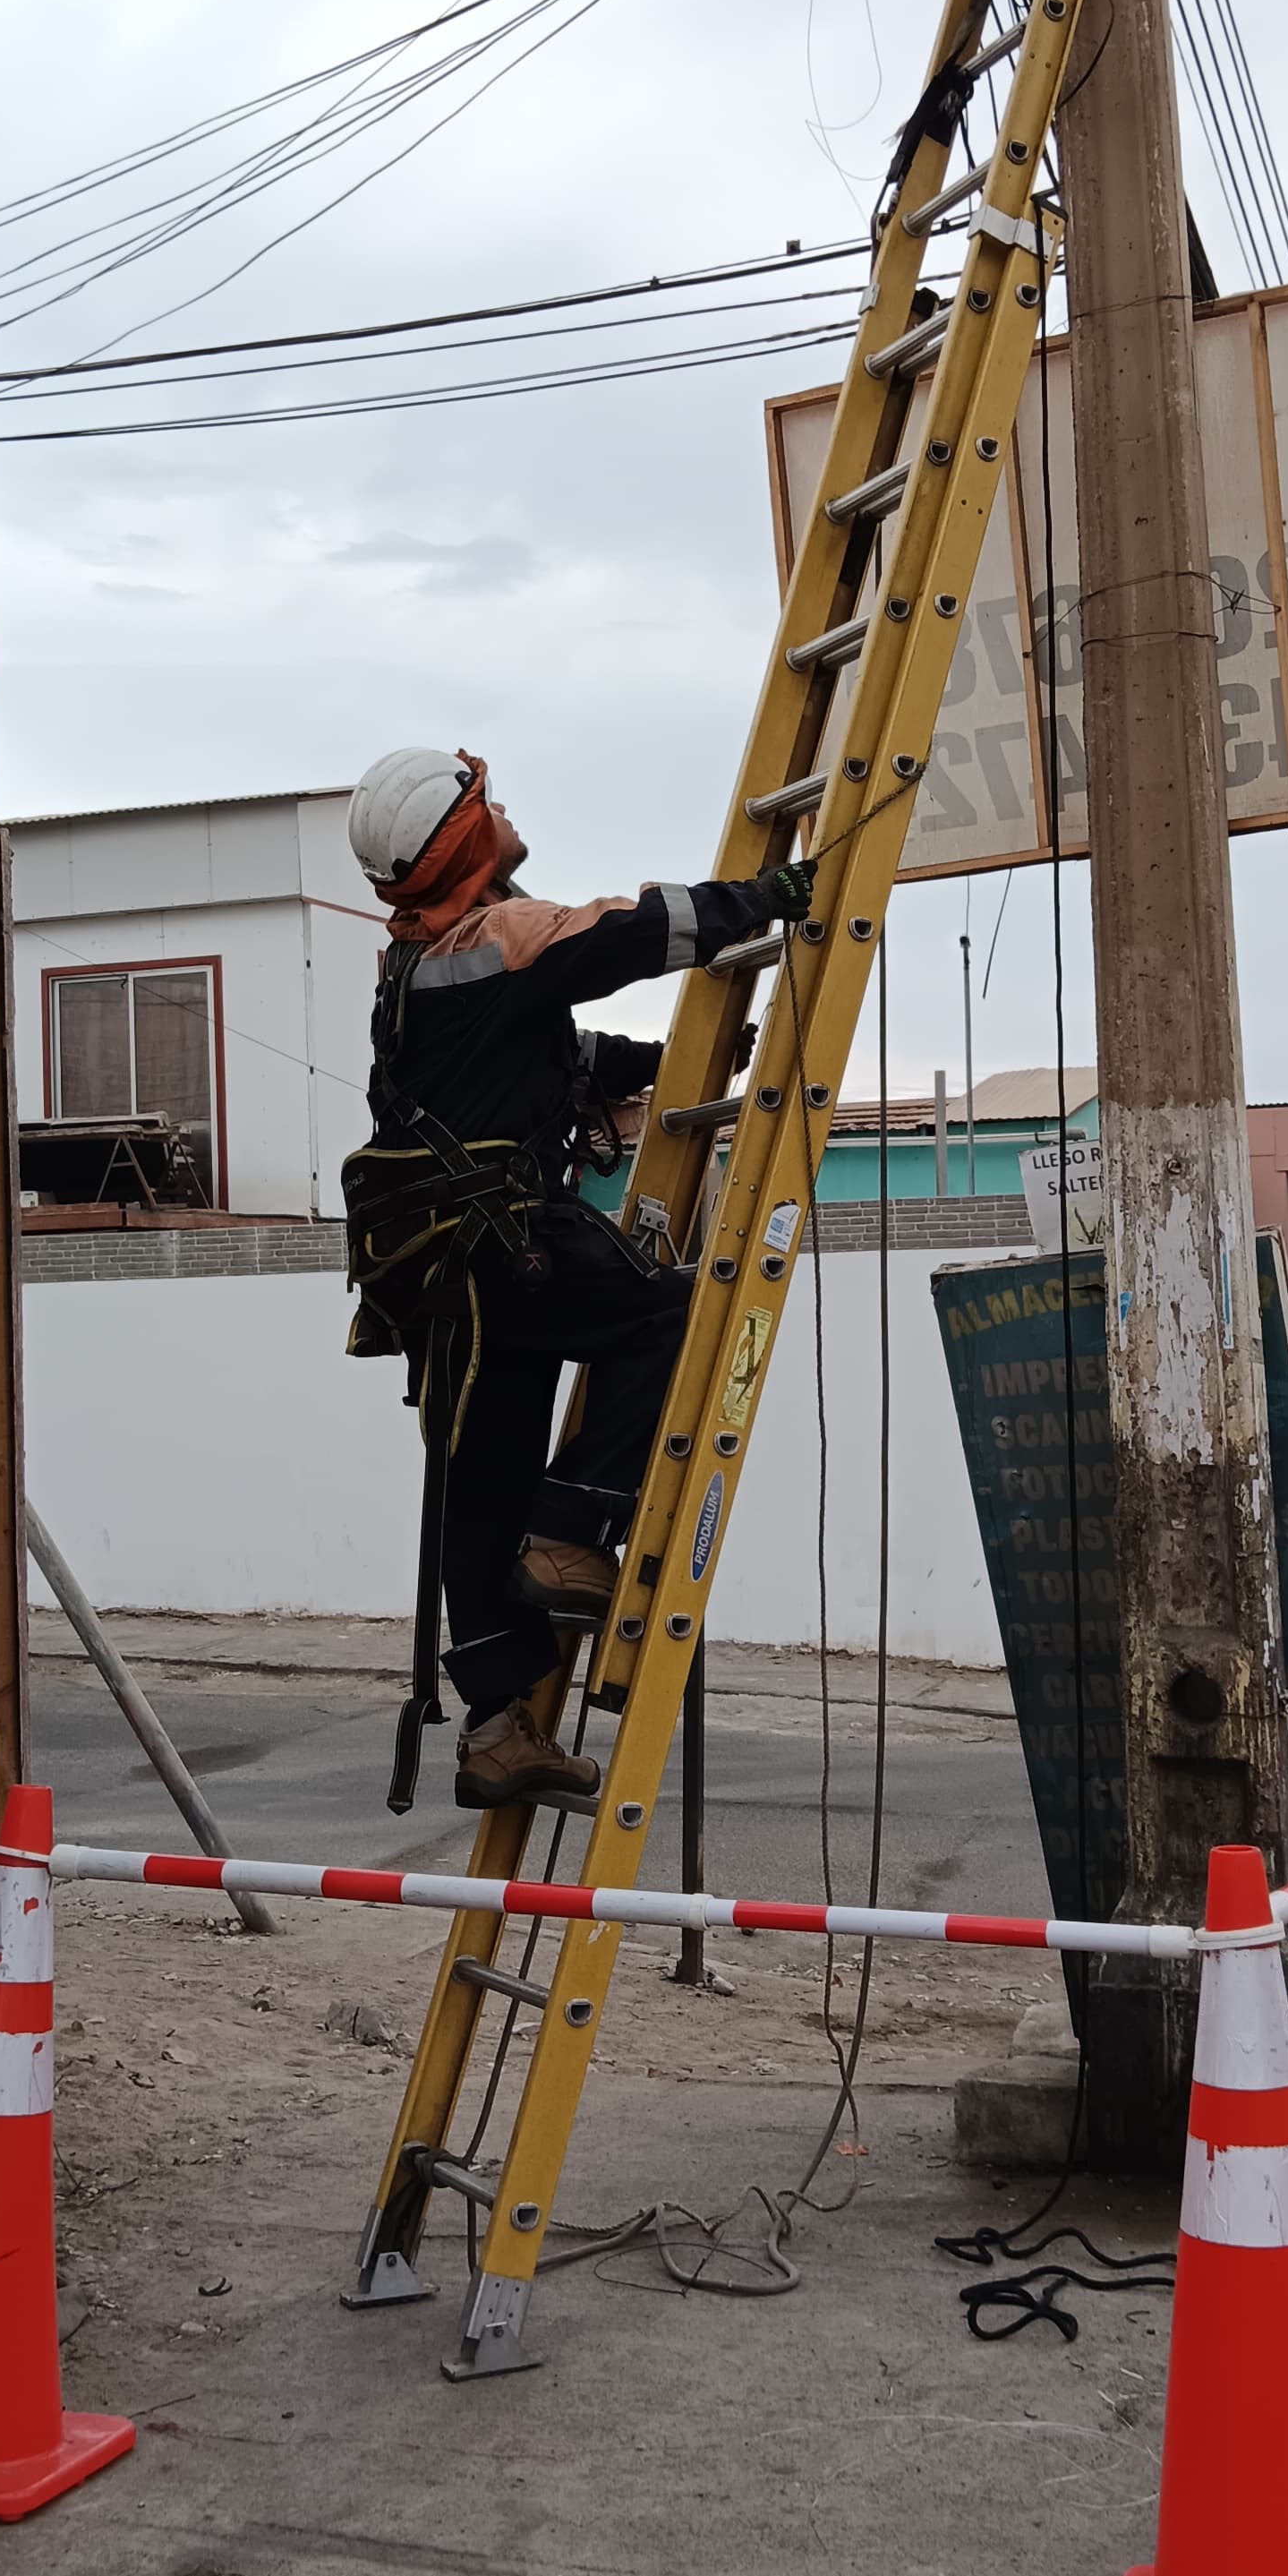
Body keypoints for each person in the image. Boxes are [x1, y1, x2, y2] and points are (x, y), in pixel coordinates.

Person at [341, 748, 815, 1810]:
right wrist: (763, 900)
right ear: (458, 841)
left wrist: (660, 1063)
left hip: (450, 1283)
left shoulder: (415, 968)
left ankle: (499, 1729)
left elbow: (535, 1045)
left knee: (482, 1490)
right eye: (485, 805)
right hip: (508, 1241)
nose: (503, 813)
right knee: (672, 1317)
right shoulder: (506, 939)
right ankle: (574, 1534)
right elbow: (628, 932)